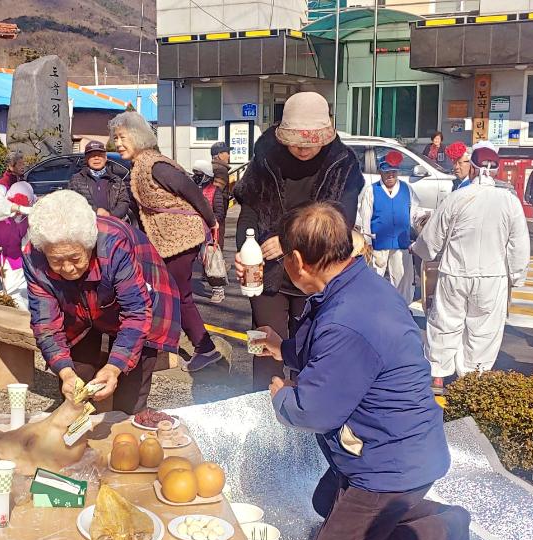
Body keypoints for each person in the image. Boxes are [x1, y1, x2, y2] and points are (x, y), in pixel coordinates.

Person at [258, 201, 470, 540]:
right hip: (393, 449)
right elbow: (335, 357)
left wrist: (282, 397)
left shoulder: (346, 319)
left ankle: (441, 532)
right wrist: (283, 349)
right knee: (326, 505)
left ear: (299, 261)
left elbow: (315, 410)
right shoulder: (356, 283)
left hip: (390, 464)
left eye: (284, 258)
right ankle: (407, 512)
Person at [233, 91, 365, 390]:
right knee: (262, 342)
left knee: (312, 345)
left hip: (316, 272)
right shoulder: (265, 158)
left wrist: (290, 241)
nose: (303, 149)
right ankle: (260, 405)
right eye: (295, 141)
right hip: (266, 272)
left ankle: (308, 413)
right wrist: (244, 251)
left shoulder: (344, 164)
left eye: (311, 142)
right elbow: (249, 211)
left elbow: (340, 222)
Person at [24, 190, 181, 414]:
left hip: (137, 294)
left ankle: (127, 424)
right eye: (56, 261)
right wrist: (65, 372)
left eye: (75, 258)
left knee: (129, 396)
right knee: (76, 383)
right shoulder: (34, 254)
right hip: (78, 302)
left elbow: (136, 313)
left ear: (89, 245)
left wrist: (114, 367)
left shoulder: (114, 244)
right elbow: (45, 323)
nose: (68, 268)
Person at [110, 110, 225, 373]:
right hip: (167, 240)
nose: (118, 143)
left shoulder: (156, 165)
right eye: (115, 138)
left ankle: (204, 348)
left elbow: (191, 191)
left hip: (182, 238)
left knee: (177, 295)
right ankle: (181, 346)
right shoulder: (139, 166)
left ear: (138, 137)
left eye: (122, 137)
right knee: (170, 294)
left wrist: (211, 220)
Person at [413, 143, 531, 393]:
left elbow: (432, 237)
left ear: (474, 170)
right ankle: (471, 380)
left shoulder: (457, 198)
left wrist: (421, 252)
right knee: (483, 329)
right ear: (497, 172)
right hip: (492, 276)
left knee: (445, 322)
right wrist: (517, 276)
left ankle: (438, 375)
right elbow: (519, 245)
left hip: (455, 273)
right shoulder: (510, 202)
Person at [357, 151, 429, 300]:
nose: (390, 175)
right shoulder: (371, 191)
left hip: (401, 243)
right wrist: (367, 243)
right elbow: (365, 219)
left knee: (403, 280)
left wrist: (423, 223)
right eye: (386, 172)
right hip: (378, 244)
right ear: (380, 172)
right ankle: (372, 307)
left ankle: (402, 308)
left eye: (393, 172)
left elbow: (415, 213)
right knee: (373, 280)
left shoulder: (406, 189)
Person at [0, 181, 36, 309]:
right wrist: (17, 208)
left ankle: (22, 323)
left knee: (16, 293)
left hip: (14, 259)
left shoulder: (29, 215)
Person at [68, 140, 133, 224]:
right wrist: (95, 211)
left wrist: (110, 215)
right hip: (86, 227)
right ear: (87, 159)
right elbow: (72, 203)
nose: (96, 158)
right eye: (92, 155)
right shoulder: (76, 179)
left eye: (100, 155)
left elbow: (124, 202)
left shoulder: (116, 180)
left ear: (105, 158)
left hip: (111, 226)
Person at [193, 159, 228, 303]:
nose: (196, 176)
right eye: (195, 173)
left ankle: (218, 290)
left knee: (212, 262)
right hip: (193, 231)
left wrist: (210, 221)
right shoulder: (192, 189)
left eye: (199, 174)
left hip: (208, 233)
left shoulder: (215, 191)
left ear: (207, 175)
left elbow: (220, 212)